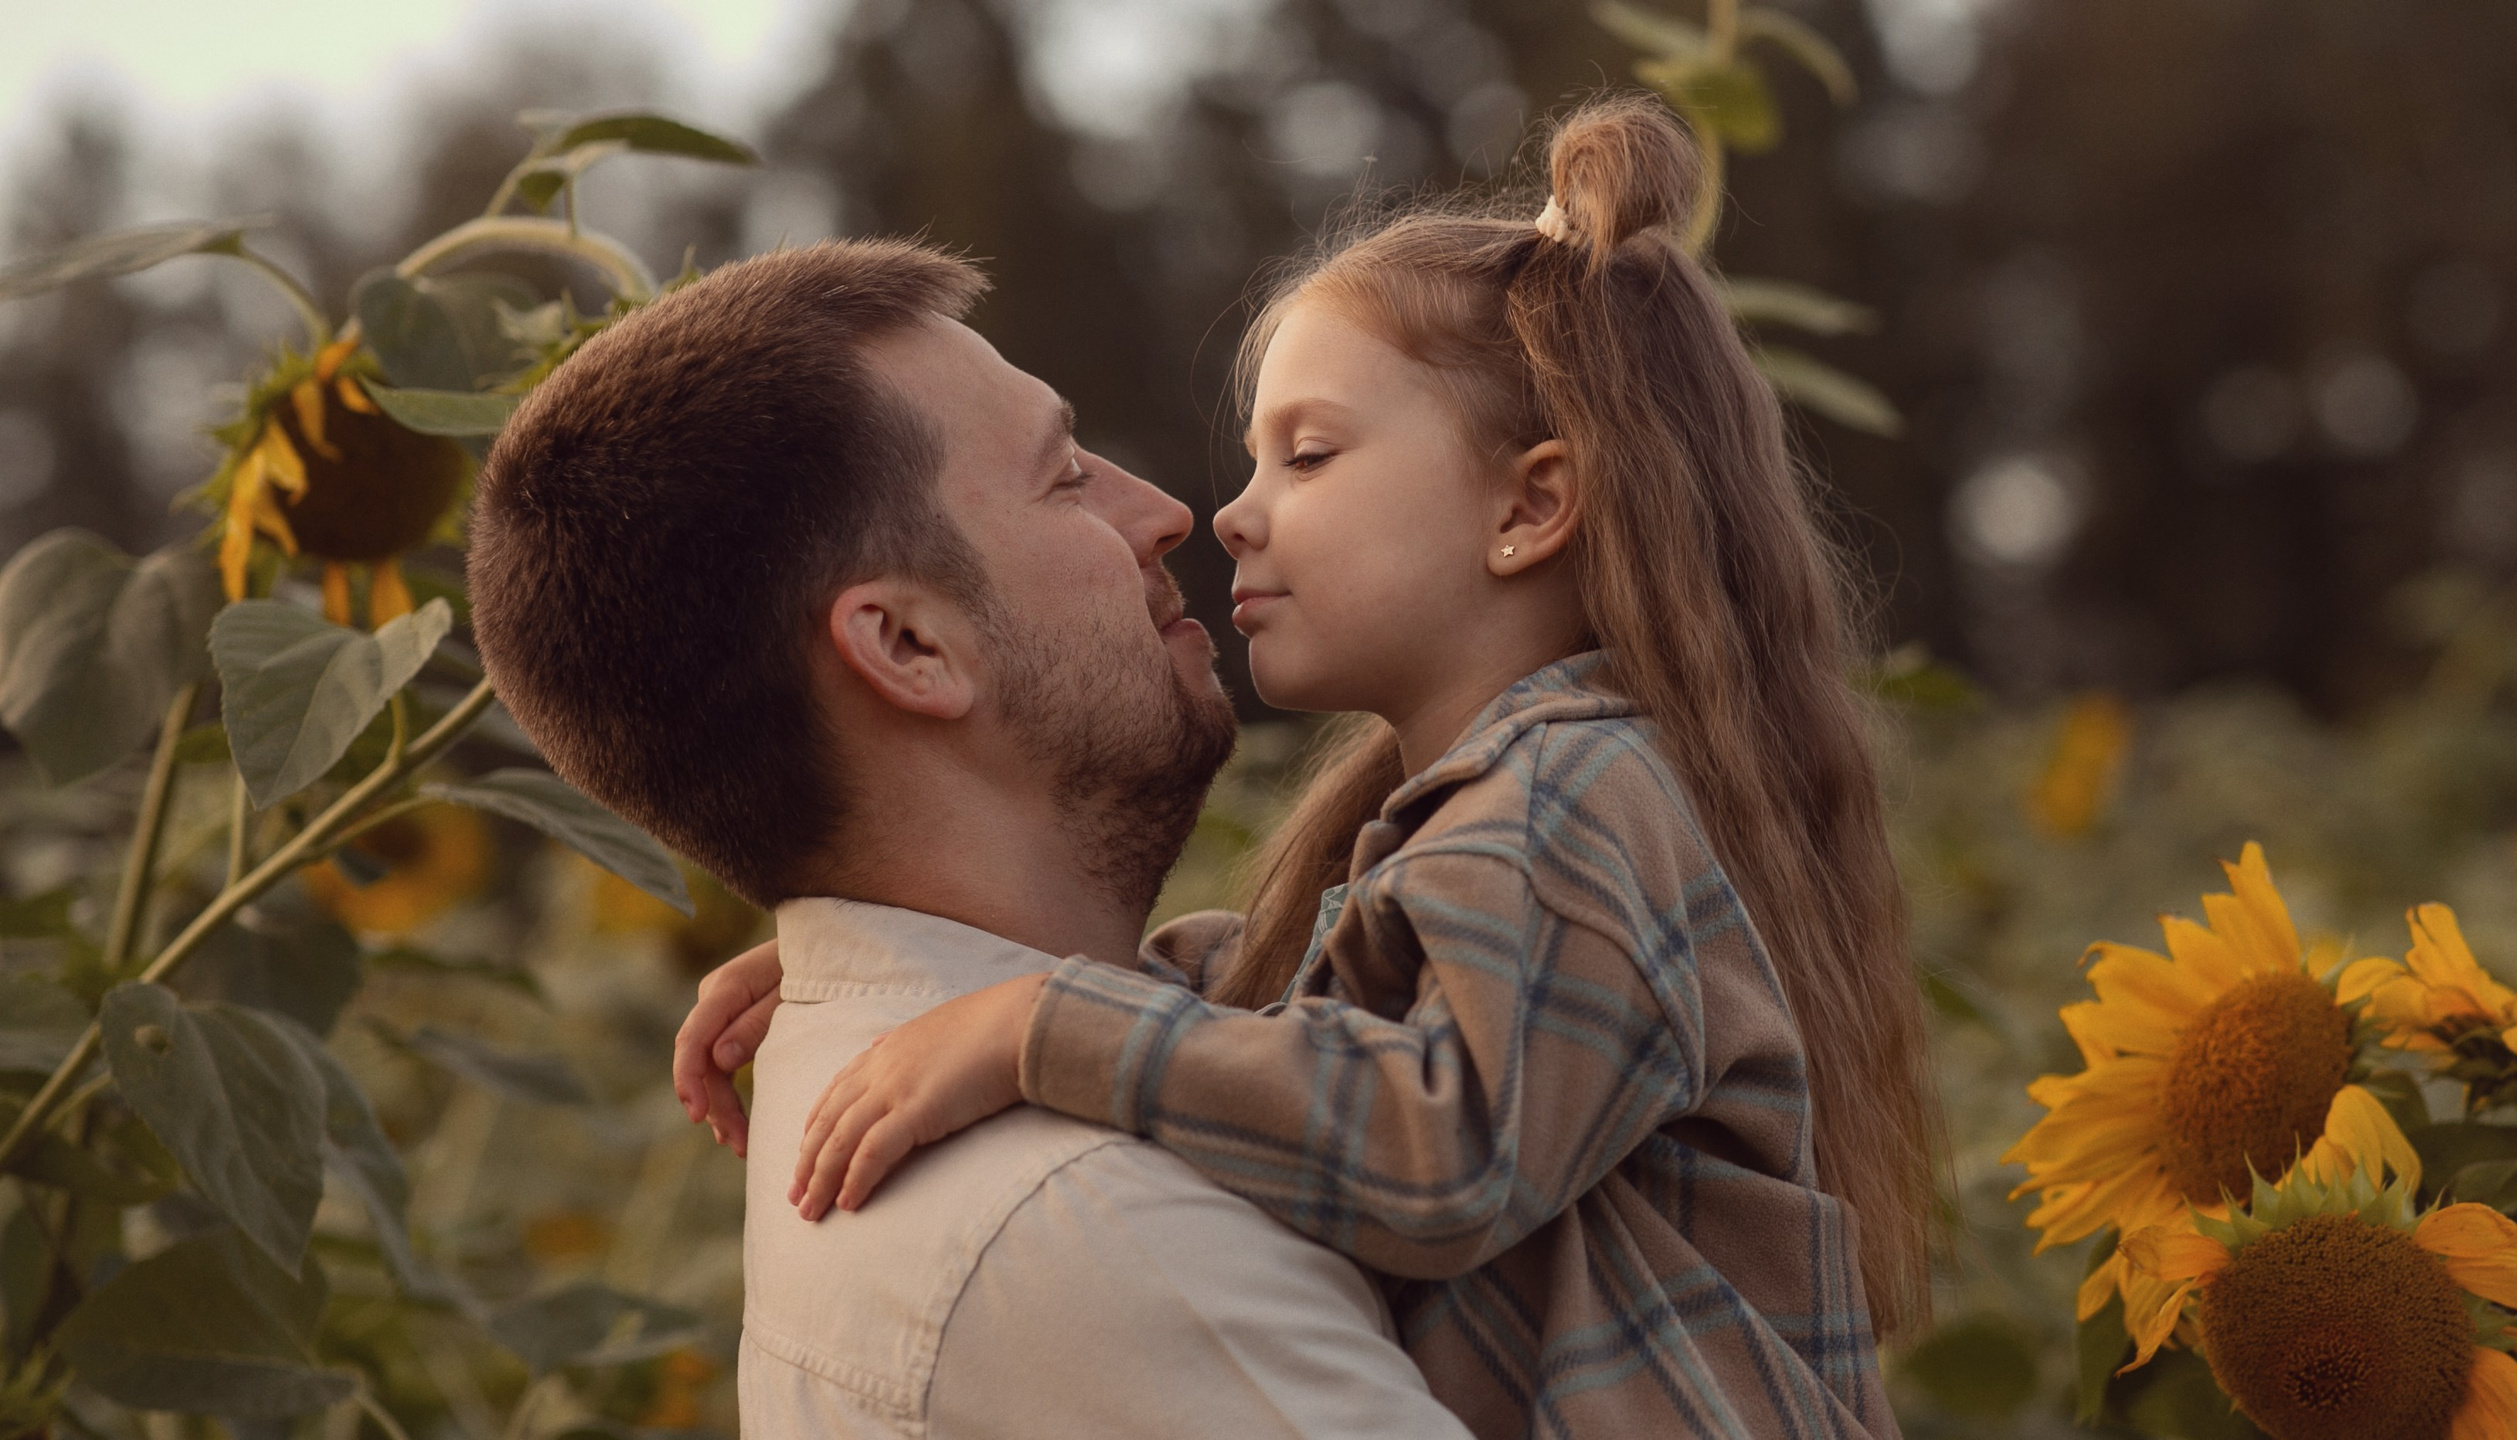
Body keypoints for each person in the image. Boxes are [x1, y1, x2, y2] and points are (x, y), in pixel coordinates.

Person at [681, 95, 1937, 1439]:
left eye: (1310, 454)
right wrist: (907, 960)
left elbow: (1442, 1147)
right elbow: (1332, 1019)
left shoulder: (1575, 803)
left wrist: (1036, 1026)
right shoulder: (1512, 805)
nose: (1229, 514)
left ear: (1529, 506)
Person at [470, 239, 1472, 1438]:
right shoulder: (1099, 1233)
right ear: (908, 648)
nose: (1167, 516)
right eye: (1065, 480)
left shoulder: (869, 1071)